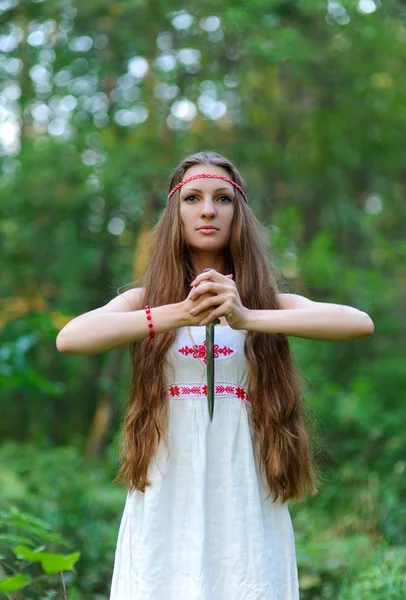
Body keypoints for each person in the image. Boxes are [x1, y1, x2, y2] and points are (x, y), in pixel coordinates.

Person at [56, 151, 374, 600]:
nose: (208, 209)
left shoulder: (263, 300)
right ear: (176, 211)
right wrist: (178, 313)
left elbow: (358, 322)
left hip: (244, 479)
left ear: (237, 213)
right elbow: (71, 338)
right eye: (193, 198)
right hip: (169, 478)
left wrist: (247, 316)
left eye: (222, 198)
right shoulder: (148, 298)